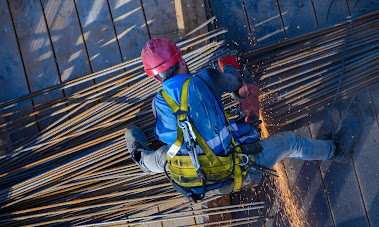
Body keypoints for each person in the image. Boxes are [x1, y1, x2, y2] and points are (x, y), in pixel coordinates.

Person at [125, 38, 360, 202]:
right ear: (182, 60)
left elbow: (170, 133)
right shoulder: (205, 79)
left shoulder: (160, 102)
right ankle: (336, 150)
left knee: (161, 157)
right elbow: (235, 81)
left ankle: (138, 155)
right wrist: (230, 67)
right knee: (290, 143)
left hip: (195, 184)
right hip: (234, 172)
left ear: (155, 78)